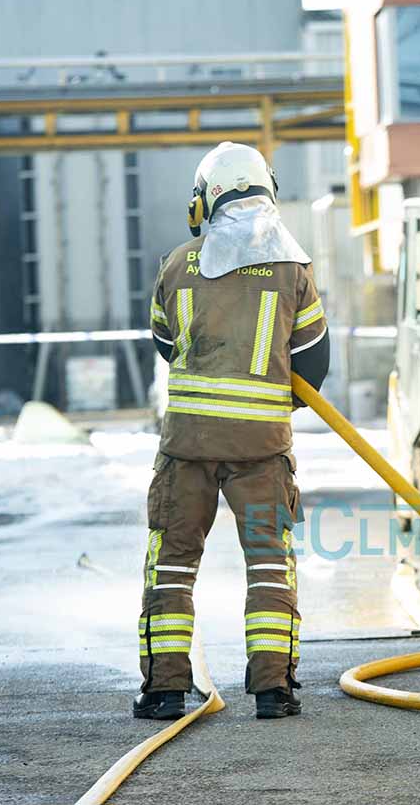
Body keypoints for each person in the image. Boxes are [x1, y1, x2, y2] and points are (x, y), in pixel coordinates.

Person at [133, 142, 329, 720]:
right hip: (261, 450)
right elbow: (314, 366)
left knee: (172, 562)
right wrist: (264, 400)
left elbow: (165, 345)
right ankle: (273, 690)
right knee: (269, 563)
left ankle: (165, 690)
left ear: (206, 200)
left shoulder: (177, 265)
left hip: (186, 447)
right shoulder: (294, 270)